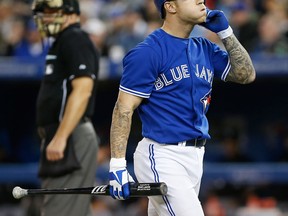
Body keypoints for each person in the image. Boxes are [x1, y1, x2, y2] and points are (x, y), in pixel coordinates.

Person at [108, 0, 256, 215]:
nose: (200, 1)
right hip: (161, 155)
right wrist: (117, 165)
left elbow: (246, 74)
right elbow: (123, 108)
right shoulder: (148, 51)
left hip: (196, 156)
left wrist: (226, 32)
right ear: (170, 7)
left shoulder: (204, 47)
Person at [32, 0, 99, 215]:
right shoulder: (62, 41)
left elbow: (83, 88)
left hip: (71, 135)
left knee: (61, 211)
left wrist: (61, 136)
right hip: (65, 134)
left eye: (51, 12)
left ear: (70, 13)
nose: (46, 18)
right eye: (43, 13)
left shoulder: (74, 38)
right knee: (73, 209)